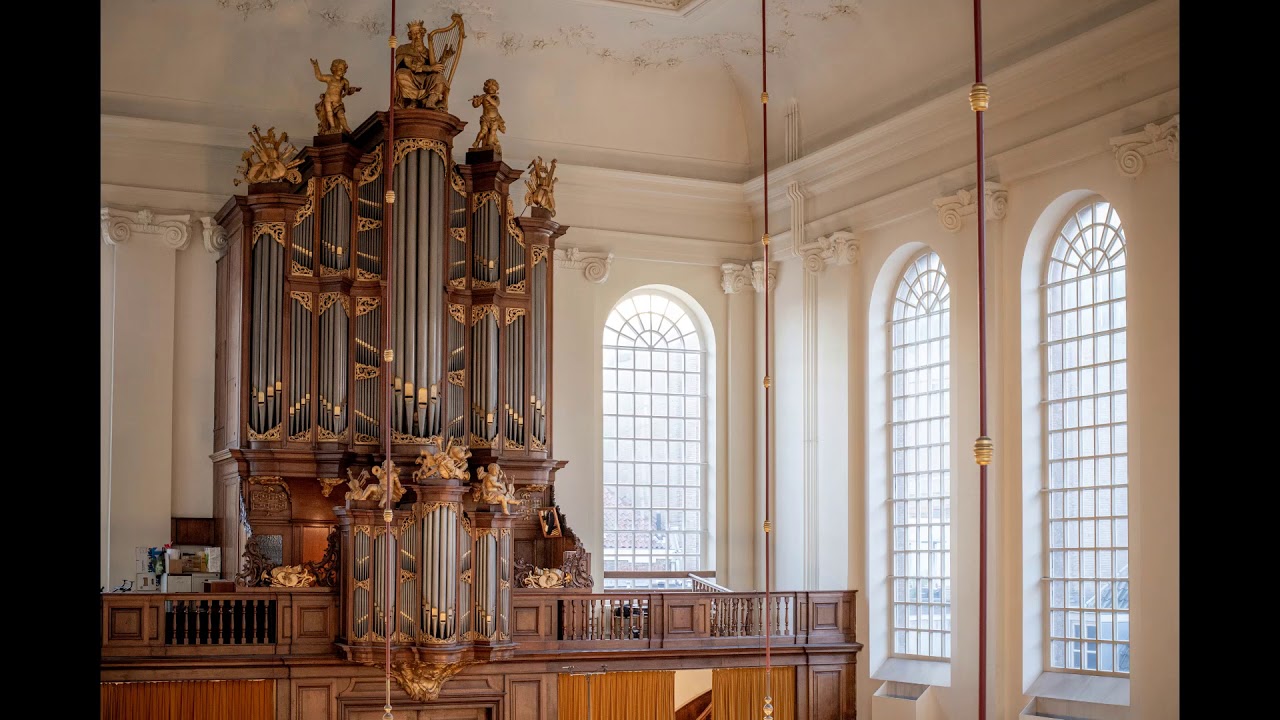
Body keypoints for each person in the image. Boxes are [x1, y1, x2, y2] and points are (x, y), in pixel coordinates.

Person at [395, 21, 454, 110]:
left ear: (422, 34)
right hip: (411, 77)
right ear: (410, 36)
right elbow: (406, 65)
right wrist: (429, 68)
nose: (416, 36)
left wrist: (444, 58)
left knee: (439, 78)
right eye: (413, 34)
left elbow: (435, 68)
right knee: (400, 74)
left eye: (418, 33)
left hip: (425, 80)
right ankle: (414, 100)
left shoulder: (427, 52)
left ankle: (431, 101)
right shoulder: (403, 49)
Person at [311, 58, 361, 135]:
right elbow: (319, 77)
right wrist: (315, 66)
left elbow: (347, 92)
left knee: (341, 115)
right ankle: (333, 127)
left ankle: (346, 128)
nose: (343, 71)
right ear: (334, 69)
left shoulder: (345, 81)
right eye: (340, 69)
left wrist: (353, 90)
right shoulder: (330, 78)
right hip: (328, 100)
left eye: (344, 69)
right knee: (329, 113)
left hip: (338, 102)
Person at [470, 79, 505, 153]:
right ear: (486, 89)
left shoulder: (495, 97)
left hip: (495, 119)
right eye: (489, 88)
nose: (491, 89)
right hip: (485, 118)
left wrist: (489, 99)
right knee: (483, 130)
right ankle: (477, 142)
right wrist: (475, 100)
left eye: (493, 88)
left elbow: (496, 104)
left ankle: (490, 143)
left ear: (496, 89)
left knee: (493, 131)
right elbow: (476, 105)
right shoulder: (483, 97)